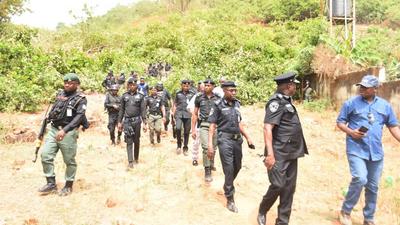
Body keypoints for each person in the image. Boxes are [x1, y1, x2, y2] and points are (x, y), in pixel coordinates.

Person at [336, 75, 400, 225]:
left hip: (376, 152)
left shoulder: (385, 106)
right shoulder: (350, 103)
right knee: (360, 178)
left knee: (373, 186)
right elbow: (340, 122)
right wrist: (351, 132)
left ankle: (369, 218)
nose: (361, 89)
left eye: (365, 87)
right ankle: (345, 211)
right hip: (356, 148)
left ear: (375, 89)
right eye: (361, 86)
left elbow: (393, 126)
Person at [257, 72, 308, 225]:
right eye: (294, 84)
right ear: (288, 85)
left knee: (288, 190)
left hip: (292, 152)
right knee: (278, 185)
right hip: (278, 153)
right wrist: (270, 155)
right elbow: (267, 128)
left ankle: (282, 221)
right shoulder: (276, 103)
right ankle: (263, 209)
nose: (296, 87)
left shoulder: (287, 101)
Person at [207, 81, 254, 213]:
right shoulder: (217, 105)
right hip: (224, 140)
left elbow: (239, 123)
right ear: (224, 91)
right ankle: (230, 198)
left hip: (237, 140)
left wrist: (248, 137)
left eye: (235, 90)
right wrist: (210, 145)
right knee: (229, 168)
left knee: (237, 166)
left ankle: (227, 184)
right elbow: (212, 126)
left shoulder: (237, 104)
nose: (233, 93)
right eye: (231, 90)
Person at [38, 73, 88, 196]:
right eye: (65, 82)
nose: (67, 85)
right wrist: (43, 128)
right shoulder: (60, 94)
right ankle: (51, 183)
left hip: (68, 132)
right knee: (45, 155)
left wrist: (65, 130)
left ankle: (68, 185)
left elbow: (79, 117)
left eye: (70, 83)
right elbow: (54, 110)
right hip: (54, 129)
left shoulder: (80, 99)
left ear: (77, 84)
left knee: (69, 160)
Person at [192, 79, 220, 182]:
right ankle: (207, 171)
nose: (206, 87)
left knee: (214, 146)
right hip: (203, 124)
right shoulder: (199, 98)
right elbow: (195, 113)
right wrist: (193, 129)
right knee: (206, 148)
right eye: (205, 85)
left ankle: (211, 162)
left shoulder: (218, 98)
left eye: (208, 85)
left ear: (213, 87)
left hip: (216, 125)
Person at [118, 78, 147, 168]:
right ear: (128, 86)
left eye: (134, 85)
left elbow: (143, 110)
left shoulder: (141, 97)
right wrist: (119, 122)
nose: (132, 86)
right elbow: (121, 110)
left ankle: (136, 158)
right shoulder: (124, 96)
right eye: (130, 85)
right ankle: (130, 161)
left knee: (136, 140)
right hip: (127, 122)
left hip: (137, 121)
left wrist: (145, 123)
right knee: (129, 141)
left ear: (137, 86)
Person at [172, 79, 195, 155]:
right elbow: (175, 104)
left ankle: (185, 147)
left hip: (188, 115)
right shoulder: (178, 93)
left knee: (186, 132)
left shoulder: (192, 94)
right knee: (178, 128)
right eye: (184, 85)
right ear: (181, 85)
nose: (186, 87)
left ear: (189, 86)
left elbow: (195, 105)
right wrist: (173, 113)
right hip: (179, 113)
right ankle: (179, 145)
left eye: (187, 86)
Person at [188, 81, 204, 167]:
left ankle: (208, 162)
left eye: (204, 87)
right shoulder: (196, 97)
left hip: (208, 123)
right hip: (199, 122)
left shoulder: (213, 97)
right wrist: (196, 114)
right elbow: (190, 108)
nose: (203, 89)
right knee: (196, 142)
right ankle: (195, 158)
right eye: (201, 88)